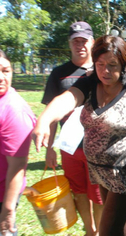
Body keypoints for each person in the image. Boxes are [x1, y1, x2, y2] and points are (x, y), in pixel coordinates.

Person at [32, 35, 126, 236]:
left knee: (108, 229)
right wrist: (44, 120)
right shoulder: (89, 84)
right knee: (119, 225)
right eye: (100, 64)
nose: (105, 71)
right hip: (98, 172)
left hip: (125, 172)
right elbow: (67, 99)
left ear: (125, 65)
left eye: (112, 65)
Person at [41, 21, 103, 236]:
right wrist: (50, 148)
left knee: (98, 194)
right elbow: (50, 113)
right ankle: (90, 230)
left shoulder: (101, 70)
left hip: (98, 147)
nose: (80, 46)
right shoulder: (59, 74)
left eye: (84, 41)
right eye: (75, 41)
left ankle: (101, 230)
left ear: (92, 42)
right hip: (70, 148)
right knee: (78, 191)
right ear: (69, 44)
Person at [0, 50, 37, 236]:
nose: (1, 77)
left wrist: (7, 210)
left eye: (6, 71)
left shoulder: (14, 111)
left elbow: (17, 166)